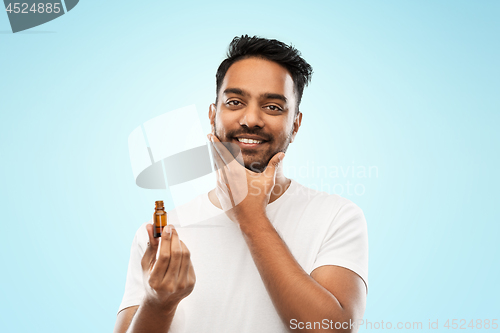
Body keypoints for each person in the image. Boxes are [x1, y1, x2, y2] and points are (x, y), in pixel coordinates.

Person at [114, 35, 368, 333]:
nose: (251, 119)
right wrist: (158, 302)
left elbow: (333, 330)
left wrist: (251, 216)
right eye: (235, 102)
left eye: (273, 107)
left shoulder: (336, 216)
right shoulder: (164, 234)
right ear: (213, 115)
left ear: (295, 125)